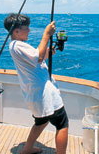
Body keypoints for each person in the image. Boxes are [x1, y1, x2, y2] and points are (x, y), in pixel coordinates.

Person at [4, 13, 68, 154]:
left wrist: (48, 52)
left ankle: (27, 149)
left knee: (41, 122)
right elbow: (38, 56)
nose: (29, 30)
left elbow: (38, 58)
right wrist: (46, 34)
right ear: (16, 31)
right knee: (62, 125)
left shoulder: (16, 46)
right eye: (27, 28)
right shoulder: (17, 45)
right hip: (45, 95)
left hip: (36, 95)